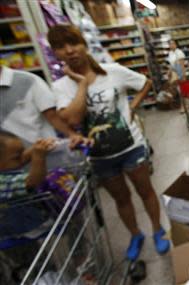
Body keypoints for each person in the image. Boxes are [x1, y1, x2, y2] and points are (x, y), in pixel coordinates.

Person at [47, 24, 170, 259]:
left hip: (131, 147)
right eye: (61, 47)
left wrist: (133, 107)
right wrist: (82, 84)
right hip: (100, 157)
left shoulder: (112, 71)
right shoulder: (60, 87)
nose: (70, 50)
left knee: (146, 191)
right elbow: (72, 118)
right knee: (121, 199)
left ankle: (157, 230)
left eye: (74, 43)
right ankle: (136, 235)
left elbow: (145, 83)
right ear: (55, 53)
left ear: (84, 44)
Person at [0, 65, 86, 148]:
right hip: (9, 159)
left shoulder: (28, 80)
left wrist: (72, 134)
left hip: (45, 151)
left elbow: (52, 115)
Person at [0, 131, 55, 200]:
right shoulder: (2, 183)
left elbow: (21, 158)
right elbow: (33, 182)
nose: (22, 158)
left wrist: (40, 146)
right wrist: (39, 156)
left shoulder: (7, 164)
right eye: (17, 157)